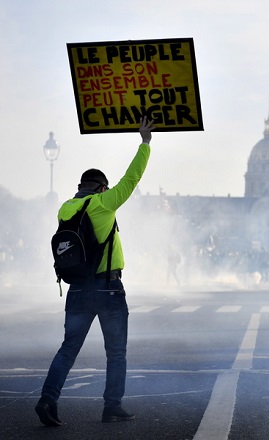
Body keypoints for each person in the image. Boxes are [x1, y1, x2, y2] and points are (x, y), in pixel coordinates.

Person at [35, 118, 155, 427]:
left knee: (68, 348)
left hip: (77, 289)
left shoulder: (66, 208)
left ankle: (48, 399)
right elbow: (131, 179)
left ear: (79, 188)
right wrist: (145, 143)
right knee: (115, 352)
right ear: (101, 187)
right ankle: (111, 406)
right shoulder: (103, 203)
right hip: (107, 288)